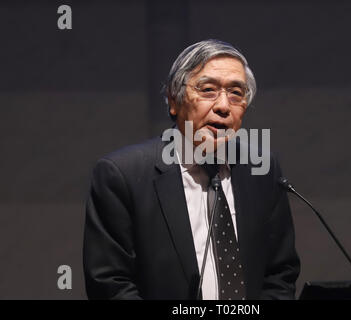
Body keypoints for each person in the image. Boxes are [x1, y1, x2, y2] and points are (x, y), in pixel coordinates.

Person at [83, 39, 300, 300]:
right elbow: (110, 284)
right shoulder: (121, 175)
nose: (223, 106)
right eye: (208, 90)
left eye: (236, 93)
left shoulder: (261, 170)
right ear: (174, 101)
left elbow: (280, 272)